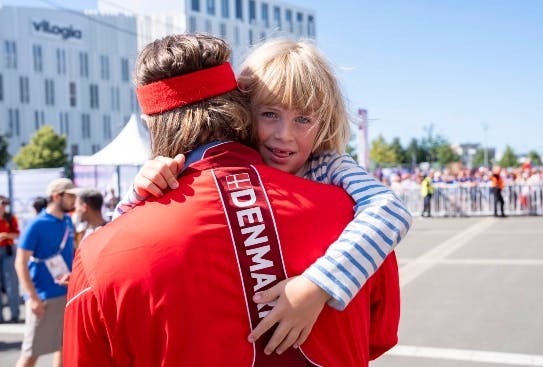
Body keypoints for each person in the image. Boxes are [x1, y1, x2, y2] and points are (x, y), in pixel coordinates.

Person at [64, 33, 402, 366]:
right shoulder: (347, 214)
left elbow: (389, 210)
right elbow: (378, 337)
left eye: (303, 119)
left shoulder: (343, 184)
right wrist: (142, 186)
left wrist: (317, 285)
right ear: (243, 110)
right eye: (270, 114)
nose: (284, 134)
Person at [15, 178, 77, 367]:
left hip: (66, 294)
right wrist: (33, 298)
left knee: (63, 347)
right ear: (56, 196)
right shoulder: (36, 224)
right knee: (31, 353)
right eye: (70, 196)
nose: (74, 200)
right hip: (43, 298)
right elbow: (21, 263)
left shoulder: (67, 221)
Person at [0, 195, 21, 323]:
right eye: (2, 203)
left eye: (5, 204)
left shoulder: (10, 217)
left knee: (11, 283)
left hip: (8, 251)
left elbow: (17, 234)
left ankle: (15, 314)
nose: (3, 206)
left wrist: (6, 235)